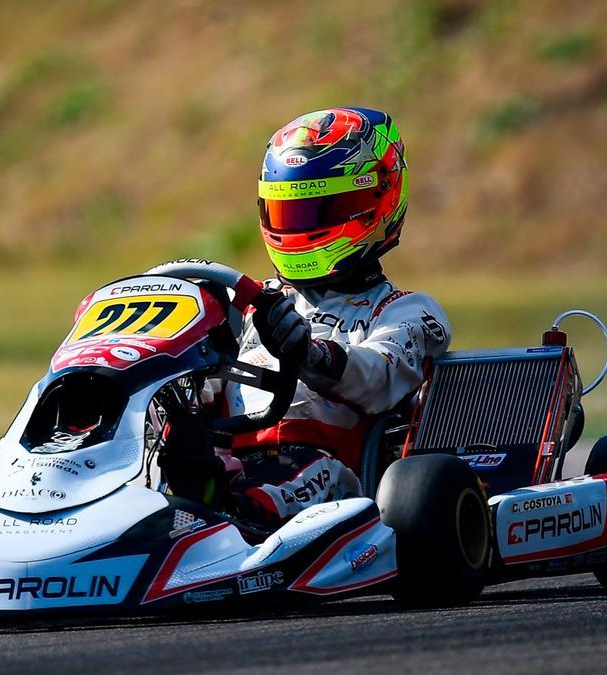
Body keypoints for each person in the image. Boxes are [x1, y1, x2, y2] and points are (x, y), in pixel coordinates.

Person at [160, 107, 452, 526]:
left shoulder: (407, 311)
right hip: (223, 455)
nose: (299, 229)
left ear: (374, 202)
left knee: (300, 472)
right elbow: (208, 383)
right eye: (288, 214)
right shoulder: (247, 303)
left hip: (331, 467)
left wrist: (311, 355)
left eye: (319, 212)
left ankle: (235, 514)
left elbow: (379, 378)